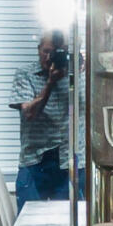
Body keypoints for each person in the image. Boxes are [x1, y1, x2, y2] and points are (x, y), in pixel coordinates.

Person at [10, 31, 72, 202]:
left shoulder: (78, 76)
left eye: (58, 52)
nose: (50, 57)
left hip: (69, 162)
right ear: (38, 49)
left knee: (71, 225)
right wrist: (50, 83)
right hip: (35, 161)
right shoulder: (25, 74)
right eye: (47, 51)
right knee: (29, 224)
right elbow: (29, 113)